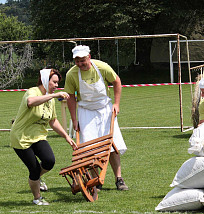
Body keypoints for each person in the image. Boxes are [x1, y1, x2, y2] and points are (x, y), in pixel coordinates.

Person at [64, 45, 128, 191]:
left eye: (82, 60)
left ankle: (119, 179)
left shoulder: (102, 67)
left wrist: (116, 104)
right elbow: (71, 98)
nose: (80, 64)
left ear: (89, 57)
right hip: (85, 111)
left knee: (112, 144)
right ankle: (95, 179)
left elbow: (116, 82)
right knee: (89, 148)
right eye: (77, 61)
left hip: (105, 109)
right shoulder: (72, 74)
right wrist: (74, 119)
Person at [10, 69, 78, 205]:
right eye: (54, 82)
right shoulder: (33, 91)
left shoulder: (50, 99)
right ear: (44, 80)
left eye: (57, 83)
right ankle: (37, 198)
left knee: (49, 161)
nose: (56, 86)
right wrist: (53, 95)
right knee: (34, 169)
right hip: (21, 138)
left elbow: (53, 121)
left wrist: (66, 136)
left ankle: (35, 178)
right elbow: (31, 102)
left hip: (38, 136)